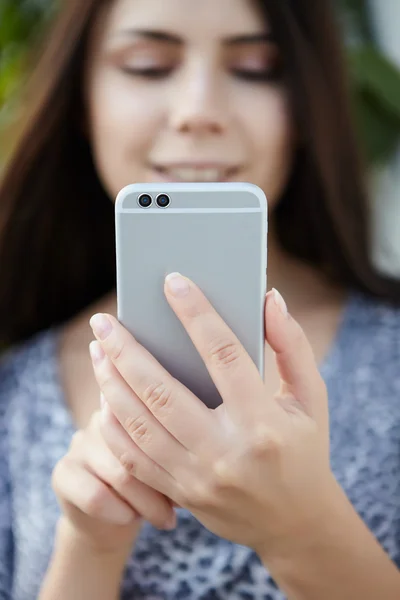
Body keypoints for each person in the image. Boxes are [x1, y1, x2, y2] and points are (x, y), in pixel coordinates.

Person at [0, 0, 400, 598]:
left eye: (257, 68)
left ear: (306, 105)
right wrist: (89, 546)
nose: (198, 112)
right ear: (82, 101)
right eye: (147, 65)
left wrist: (302, 529)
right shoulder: (13, 394)